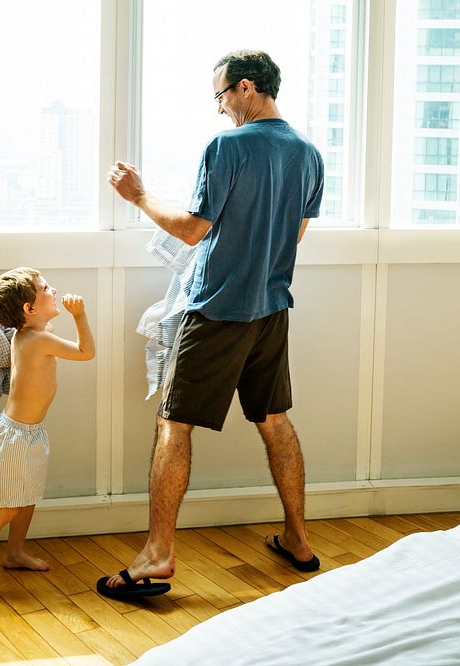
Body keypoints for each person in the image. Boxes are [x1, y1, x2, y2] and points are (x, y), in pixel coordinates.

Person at [99, 49, 325, 599]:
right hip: (271, 309)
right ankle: (297, 540)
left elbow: (194, 230)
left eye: (222, 95)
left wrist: (139, 196)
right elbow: (295, 235)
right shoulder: (309, 153)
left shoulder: (227, 146)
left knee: (174, 424)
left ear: (246, 88)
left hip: (219, 309)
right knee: (274, 419)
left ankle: (157, 557)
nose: (221, 108)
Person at [0, 267, 95, 597]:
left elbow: (43, 322)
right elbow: (86, 352)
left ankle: (14, 553)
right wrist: (80, 315)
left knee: (26, 499)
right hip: (16, 436)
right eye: (46, 289)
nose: (54, 290)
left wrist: (47, 308)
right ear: (28, 309)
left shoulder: (30, 333)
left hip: (30, 432)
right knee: (7, 507)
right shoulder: (37, 339)